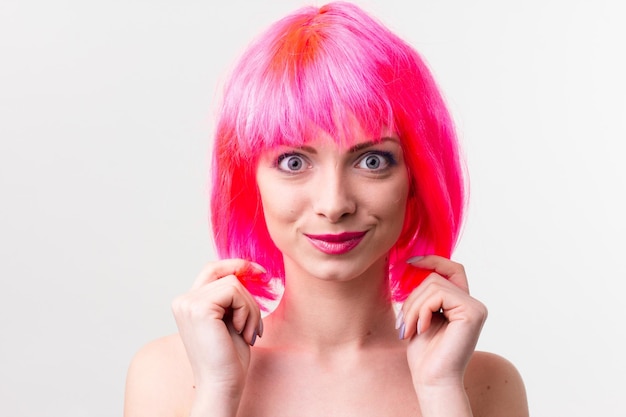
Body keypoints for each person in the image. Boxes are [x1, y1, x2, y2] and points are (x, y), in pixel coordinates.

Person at [124, 2, 528, 416]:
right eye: (294, 162)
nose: (334, 205)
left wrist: (441, 390)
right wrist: (217, 392)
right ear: (251, 181)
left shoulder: (482, 383)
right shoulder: (169, 374)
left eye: (372, 161)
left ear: (415, 178)